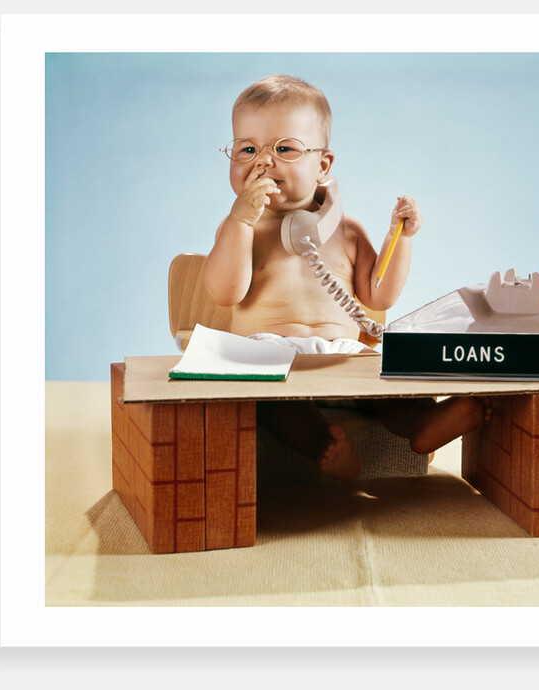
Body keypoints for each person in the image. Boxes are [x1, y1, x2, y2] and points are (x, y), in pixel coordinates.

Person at [203, 74, 490, 480]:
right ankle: (327, 448)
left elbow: (379, 295)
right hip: (271, 353)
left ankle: (421, 424)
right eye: (246, 149)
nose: (263, 161)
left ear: (322, 166)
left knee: (387, 375)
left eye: (285, 148)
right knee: (268, 401)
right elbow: (223, 291)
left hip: (343, 352)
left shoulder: (346, 230)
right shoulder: (240, 229)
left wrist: (400, 238)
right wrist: (240, 221)